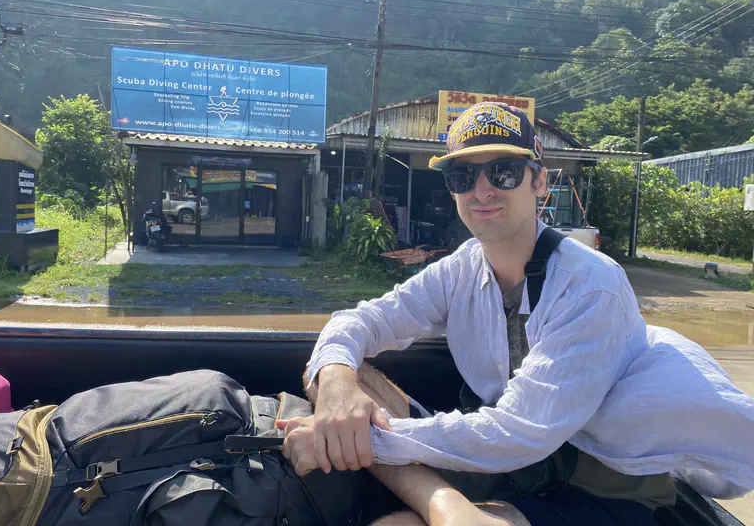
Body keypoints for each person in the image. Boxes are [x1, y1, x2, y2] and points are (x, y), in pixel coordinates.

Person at [276, 102, 754, 525]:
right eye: (463, 177)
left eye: (502, 171)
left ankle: (439, 503)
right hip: (509, 463)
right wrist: (336, 387)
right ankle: (443, 503)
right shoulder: (461, 269)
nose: (482, 190)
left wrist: (347, 440)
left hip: (597, 484)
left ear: (538, 181)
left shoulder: (591, 286)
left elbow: (519, 433)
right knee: (342, 371)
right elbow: (360, 321)